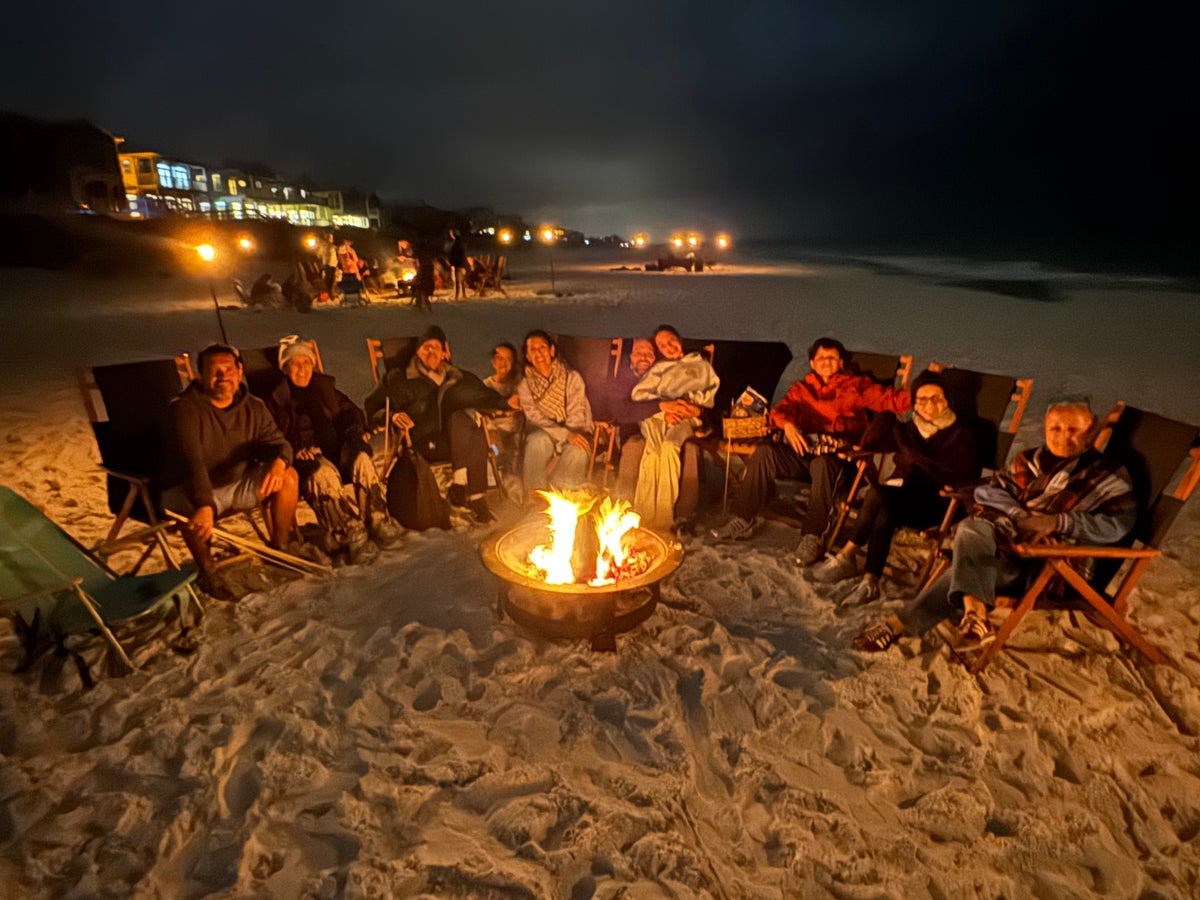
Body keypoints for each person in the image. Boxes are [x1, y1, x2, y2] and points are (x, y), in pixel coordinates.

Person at [854, 397, 1135, 652]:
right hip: (1010, 548)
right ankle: (975, 614)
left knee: (965, 565)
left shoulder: (1105, 474)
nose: (1062, 436)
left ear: (1092, 431)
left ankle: (906, 623)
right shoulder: (1030, 460)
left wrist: (1057, 522)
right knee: (972, 530)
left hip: (1051, 566)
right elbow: (993, 489)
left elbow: (1117, 526)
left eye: (1073, 429)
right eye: (1055, 428)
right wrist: (1017, 516)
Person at [710, 337, 910, 565]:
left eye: (832, 357)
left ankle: (813, 536)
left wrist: (918, 387)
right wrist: (788, 425)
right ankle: (743, 519)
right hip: (805, 454)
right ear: (813, 363)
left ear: (841, 362)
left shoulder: (856, 386)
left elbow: (894, 401)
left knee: (821, 464)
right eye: (821, 358)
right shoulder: (801, 389)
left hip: (839, 461)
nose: (826, 362)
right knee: (766, 452)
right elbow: (779, 411)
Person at [805, 370, 980, 606]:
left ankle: (847, 556)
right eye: (922, 399)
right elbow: (871, 442)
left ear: (946, 400)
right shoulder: (907, 430)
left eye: (936, 398)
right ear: (914, 403)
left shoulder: (962, 435)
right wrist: (888, 415)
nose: (929, 405)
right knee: (884, 503)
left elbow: (961, 473)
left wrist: (914, 457)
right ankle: (869, 580)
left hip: (941, 505)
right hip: (903, 500)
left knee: (881, 495)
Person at [159, 343, 304, 598]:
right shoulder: (184, 410)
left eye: (229, 369)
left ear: (239, 371)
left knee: (288, 476)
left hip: (238, 481)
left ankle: (280, 549)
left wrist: (280, 461)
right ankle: (207, 570)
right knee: (190, 506)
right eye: (215, 371)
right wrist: (204, 504)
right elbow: (192, 463)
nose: (223, 376)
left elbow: (279, 444)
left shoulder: (253, 407)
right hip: (193, 487)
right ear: (200, 375)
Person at [263, 335, 403, 563]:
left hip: (338, 449)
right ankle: (347, 532)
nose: (303, 368)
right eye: (296, 364)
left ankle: (376, 519)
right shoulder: (275, 400)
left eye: (307, 362)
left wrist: (355, 433)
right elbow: (269, 434)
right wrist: (296, 450)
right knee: (323, 475)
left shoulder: (323, 388)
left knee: (362, 460)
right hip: (306, 458)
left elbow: (352, 412)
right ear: (285, 368)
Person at [363, 325, 504, 523]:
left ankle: (466, 490)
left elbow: (486, 397)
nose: (431, 351)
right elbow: (373, 406)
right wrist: (393, 416)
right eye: (425, 347)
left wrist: (499, 405)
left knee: (469, 423)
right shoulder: (399, 378)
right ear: (417, 352)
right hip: (421, 442)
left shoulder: (458, 377)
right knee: (472, 431)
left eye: (436, 347)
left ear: (444, 352)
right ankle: (470, 493)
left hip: (455, 441)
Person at [629, 325, 719, 529]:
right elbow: (638, 394)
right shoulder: (659, 369)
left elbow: (710, 397)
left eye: (670, 340)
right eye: (661, 345)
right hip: (658, 416)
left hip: (686, 416)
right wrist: (663, 407)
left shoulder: (701, 366)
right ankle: (642, 517)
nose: (668, 347)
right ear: (659, 350)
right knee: (652, 450)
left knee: (669, 446)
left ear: (679, 339)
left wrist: (688, 406)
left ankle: (662, 518)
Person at [516, 330, 594, 493]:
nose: (538, 353)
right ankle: (535, 495)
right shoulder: (525, 385)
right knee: (537, 440)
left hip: (575, 429)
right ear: (528, 356)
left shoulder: (572, 378)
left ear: (551, 351)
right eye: (533, 349)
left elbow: (577, 415)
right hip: (547, 430)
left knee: (577, 449)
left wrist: (559, 451)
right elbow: (535, 418)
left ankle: (562, 494)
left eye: (542, 347)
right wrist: (563, 436)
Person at [318, 233, 339, 302]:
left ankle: (331, 293)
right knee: (331, 280)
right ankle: (330, 294)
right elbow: (319, 255)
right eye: (331, 238)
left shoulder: (323, 246)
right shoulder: (330, 246)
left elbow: (319, 255)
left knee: (331, 280)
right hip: (329, 265)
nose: (332, 239)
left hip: (331, 265)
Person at [448, 229, 469, 300]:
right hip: (461, 264)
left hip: (457, 264)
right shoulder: (461, 245)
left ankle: (457, 295)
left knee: (457, 280)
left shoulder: (455, 245)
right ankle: (463, 294)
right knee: (462, 280)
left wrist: (451, 263)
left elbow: (452, 255)